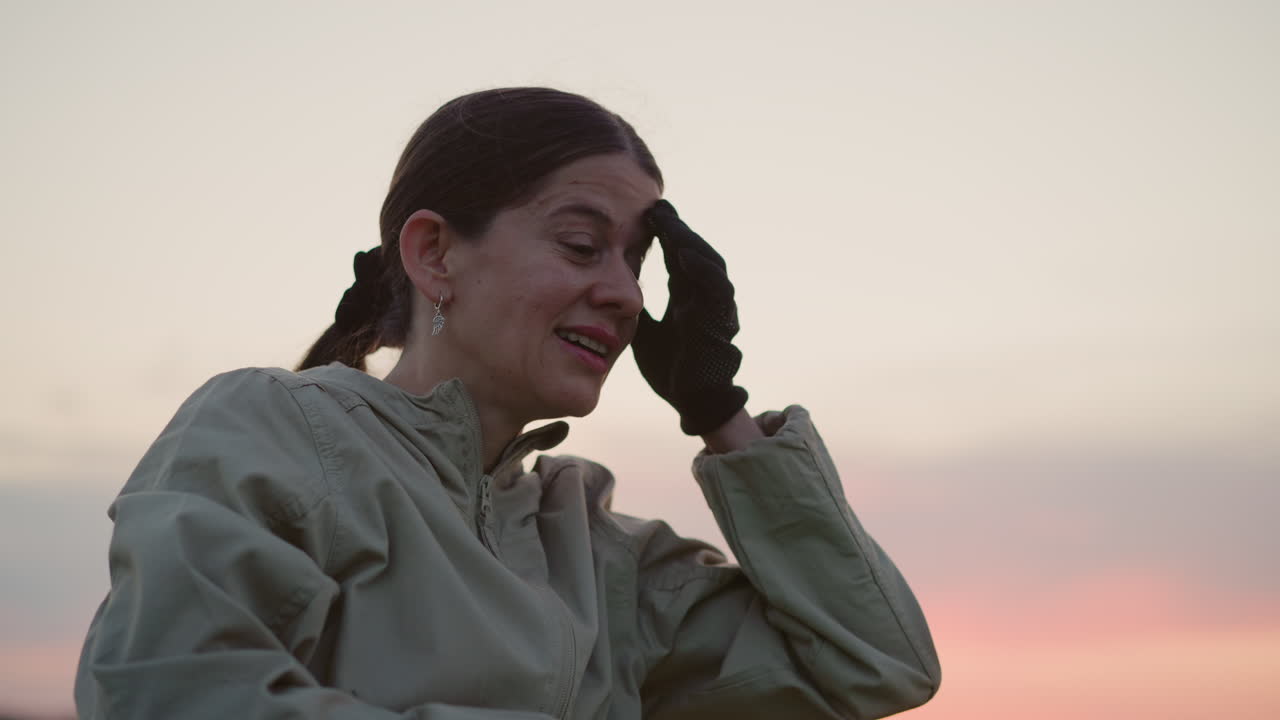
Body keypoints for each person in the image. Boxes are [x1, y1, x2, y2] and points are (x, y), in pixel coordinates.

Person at [74, 87, 940, 719]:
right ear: (435, 253)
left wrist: (723, 413)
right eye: (579, 244)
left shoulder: (602, 553)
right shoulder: (277, 431)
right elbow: (164, 691)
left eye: (636, 263)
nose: (627, 298)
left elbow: (875, 668)